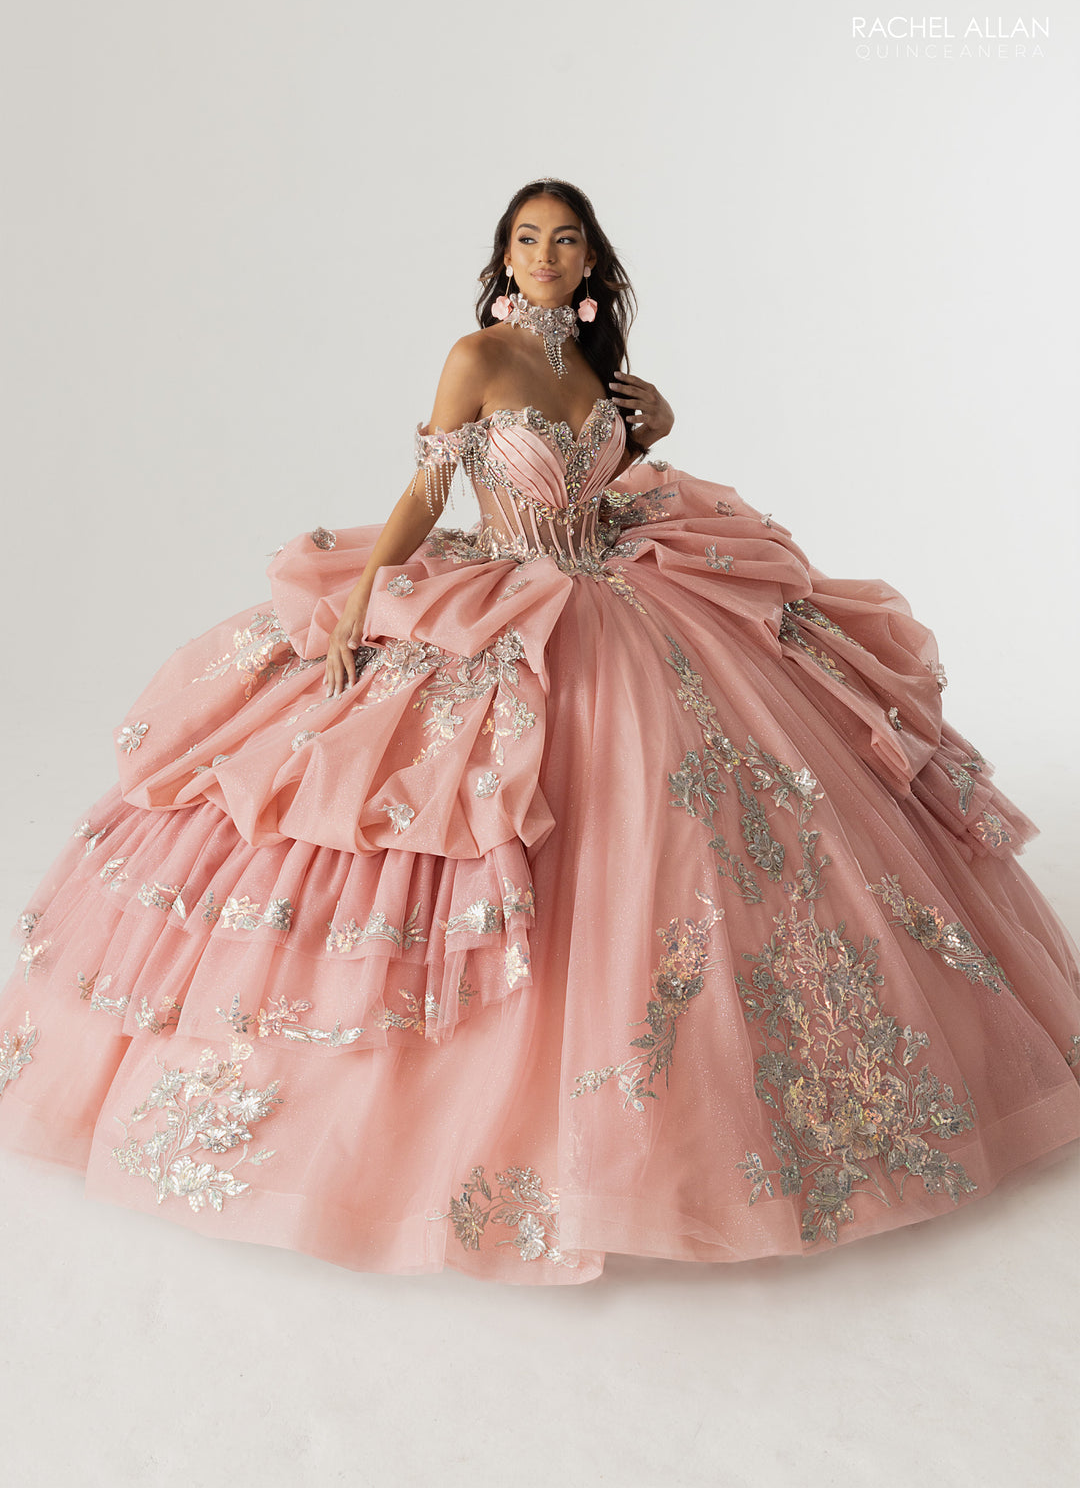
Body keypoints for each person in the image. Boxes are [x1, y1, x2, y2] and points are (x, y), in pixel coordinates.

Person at [1, 179, 1077, 1287]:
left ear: (590, 259)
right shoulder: (478, 357)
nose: (546, 255)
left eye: (566, 239)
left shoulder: (599, 369)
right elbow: (430, 492)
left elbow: (608, 470)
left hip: (621, 589)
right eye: (527, 238)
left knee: (709, 805)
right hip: (509, 598)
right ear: (504, 257)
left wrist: (647, 423)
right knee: (446, 802)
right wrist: (365, 598)